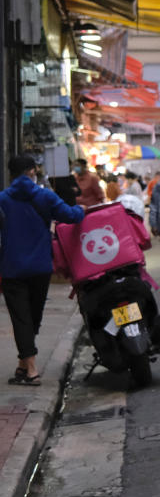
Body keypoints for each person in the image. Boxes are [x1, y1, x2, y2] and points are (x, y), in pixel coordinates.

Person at [0, 155, 85, 385]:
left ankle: (29, 369)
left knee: (21, 318)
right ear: (32, 171)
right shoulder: (45, 196)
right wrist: (82, 209)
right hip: (40, 267)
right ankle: (28, 368)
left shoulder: (3, 200)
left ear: (11, 174)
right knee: (33, 315)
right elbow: (70, 215)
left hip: (12, 268)